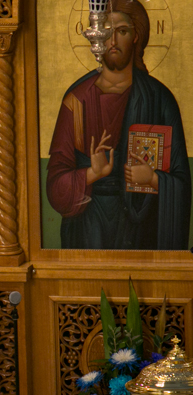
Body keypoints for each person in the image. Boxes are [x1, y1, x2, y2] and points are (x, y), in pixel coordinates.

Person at [46, 0, 190, 250]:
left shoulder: (160, 99)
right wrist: (92, 173)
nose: (113, 41)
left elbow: (182, 184)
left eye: (121, 31)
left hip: (142, 234)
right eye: (107, 31)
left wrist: (154, 180)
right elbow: (55, 188)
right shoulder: (77, 100)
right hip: (88, 234)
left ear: (136, 36)